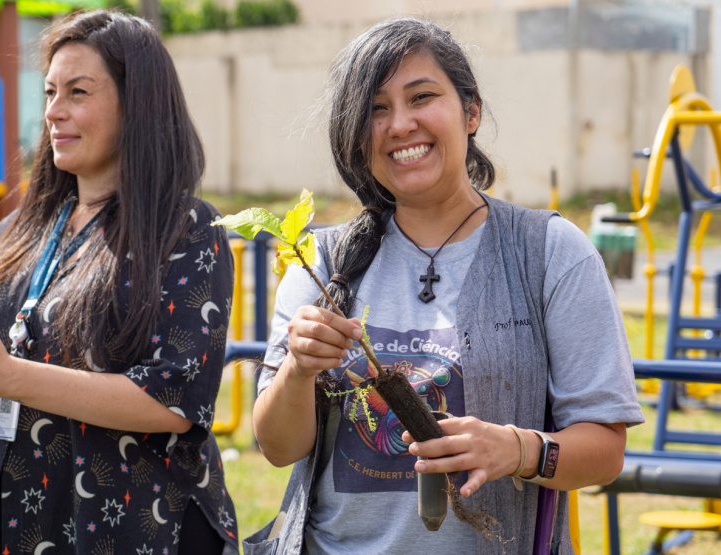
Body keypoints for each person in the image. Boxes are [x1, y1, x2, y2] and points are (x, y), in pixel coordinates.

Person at [245, 17, 644, 555]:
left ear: (470, 110)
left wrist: (516, 449)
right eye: (376, 109)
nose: (400, 124)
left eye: (422, 96)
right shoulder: (320, 262)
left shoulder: (550, 252)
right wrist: (297, 370)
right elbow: (277, 447)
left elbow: (604, 450)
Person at [0, 10, 238, 554]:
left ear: (138, 105)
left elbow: (172, 401)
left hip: (127, 528)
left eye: (78, 92)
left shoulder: (187, 229)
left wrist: (6, 374)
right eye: (50, 92)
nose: (54, 112)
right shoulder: (19, 228)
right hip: (2, 520)